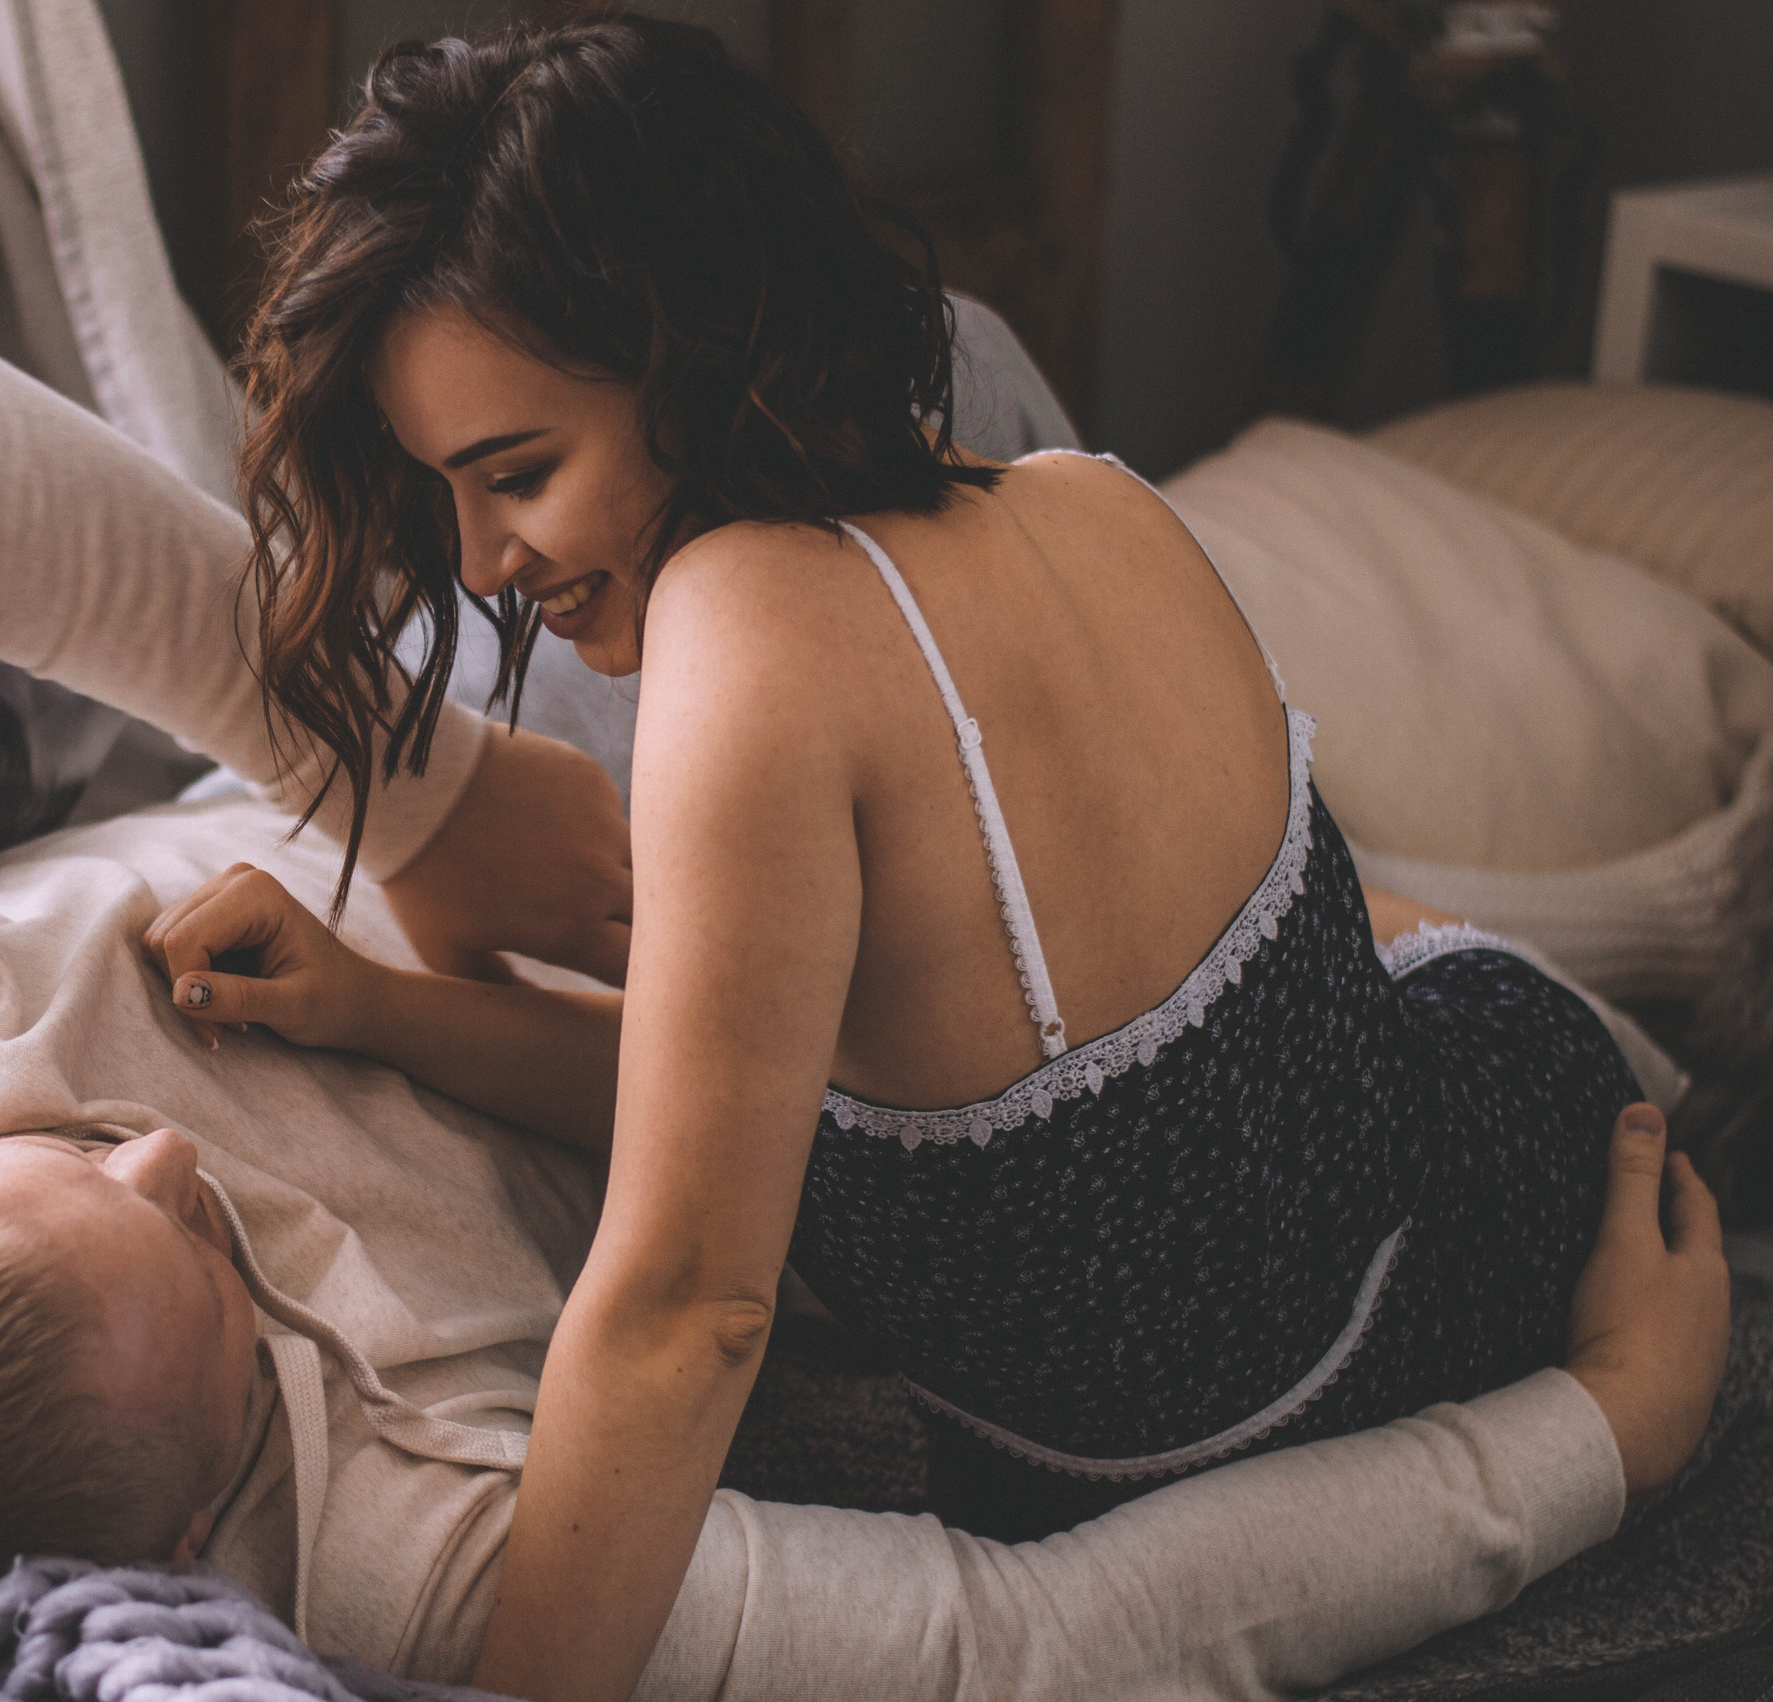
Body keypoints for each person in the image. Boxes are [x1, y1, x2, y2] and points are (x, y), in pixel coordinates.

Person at [0, 313, 1728, 1701]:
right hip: (741, 1001)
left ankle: (1546, 906)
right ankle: (1616, 932)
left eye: (47, 1155)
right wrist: (1583, 1449)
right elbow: (1050, 1638)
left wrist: (409, 791)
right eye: (198, 1239)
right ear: (172, 1538)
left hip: (438, 780)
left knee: (927, 383)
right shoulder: (409, 1551)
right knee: (1038, 778)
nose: (169, 1147)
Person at [136, 15, 1725, 1699]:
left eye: (517, 473)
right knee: (1360, 940)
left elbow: (687, 1302)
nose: (477, 557)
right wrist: (379, 1010)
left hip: (1459, 1198)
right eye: (445, 492)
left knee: (1440, 962)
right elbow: (760, 1109)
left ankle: (1651, 944)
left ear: (692, 348)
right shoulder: (1095, 497)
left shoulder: (744, 630)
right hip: (1362, 1238)